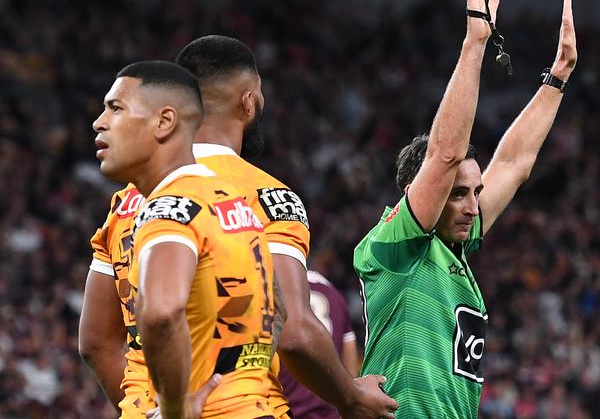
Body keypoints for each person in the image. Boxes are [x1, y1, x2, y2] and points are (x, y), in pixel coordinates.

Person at [80, 36, 398, 418]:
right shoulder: (268, 197)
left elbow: (96, 343)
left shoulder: (127, 202)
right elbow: (294, 330)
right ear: (248, 102)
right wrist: (351, 396)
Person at [353, 0, 577, 418]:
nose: (474, 205)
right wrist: (475, 44)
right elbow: (445, 154)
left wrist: (557, 77)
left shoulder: (455, 255)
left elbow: (514, 162)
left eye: (474, 192)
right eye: (457, 193)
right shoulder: (395, 247)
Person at [90, 60, 280, 418]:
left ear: (164, 122)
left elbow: (161, 313)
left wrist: (174, 409)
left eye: (115, 108)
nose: (100, 122)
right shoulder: (231, 202)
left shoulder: (168, 207)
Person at [278, 270, 360, 418]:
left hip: (287, 410)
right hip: (331, 413)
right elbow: (351, 363)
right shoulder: (335, 295)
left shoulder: (274, 291)